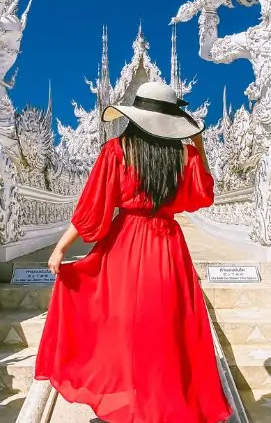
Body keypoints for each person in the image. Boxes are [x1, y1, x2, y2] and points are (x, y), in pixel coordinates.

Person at [34, 81, 233, 423]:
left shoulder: (117, 150)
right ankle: (162, 404)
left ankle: (135, 404)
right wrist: (196, 140)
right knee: (167, 327)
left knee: (125, 325)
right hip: (167, 245)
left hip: (125, 243)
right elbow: (203, 195)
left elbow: (92, 211)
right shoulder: (184, 156)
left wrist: (60, 248)